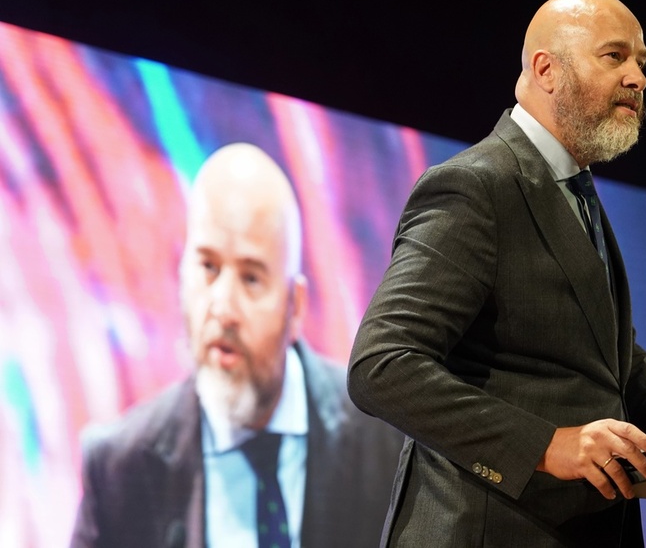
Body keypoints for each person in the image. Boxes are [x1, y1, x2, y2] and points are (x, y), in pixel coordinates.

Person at [348, 0, 646, 547]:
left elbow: (612, 362)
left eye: (641, 62)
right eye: (615, 56)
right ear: (547, 70)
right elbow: (383, 365)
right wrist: (549, 444)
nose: (639, 78)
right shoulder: (478, 184)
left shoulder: (576, 191)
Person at [72, 143, 404, 548]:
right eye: (208, 267)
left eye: (251, 278)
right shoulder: (118, 470)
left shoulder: (387, 444)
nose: (223, 307)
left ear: (294, 308)